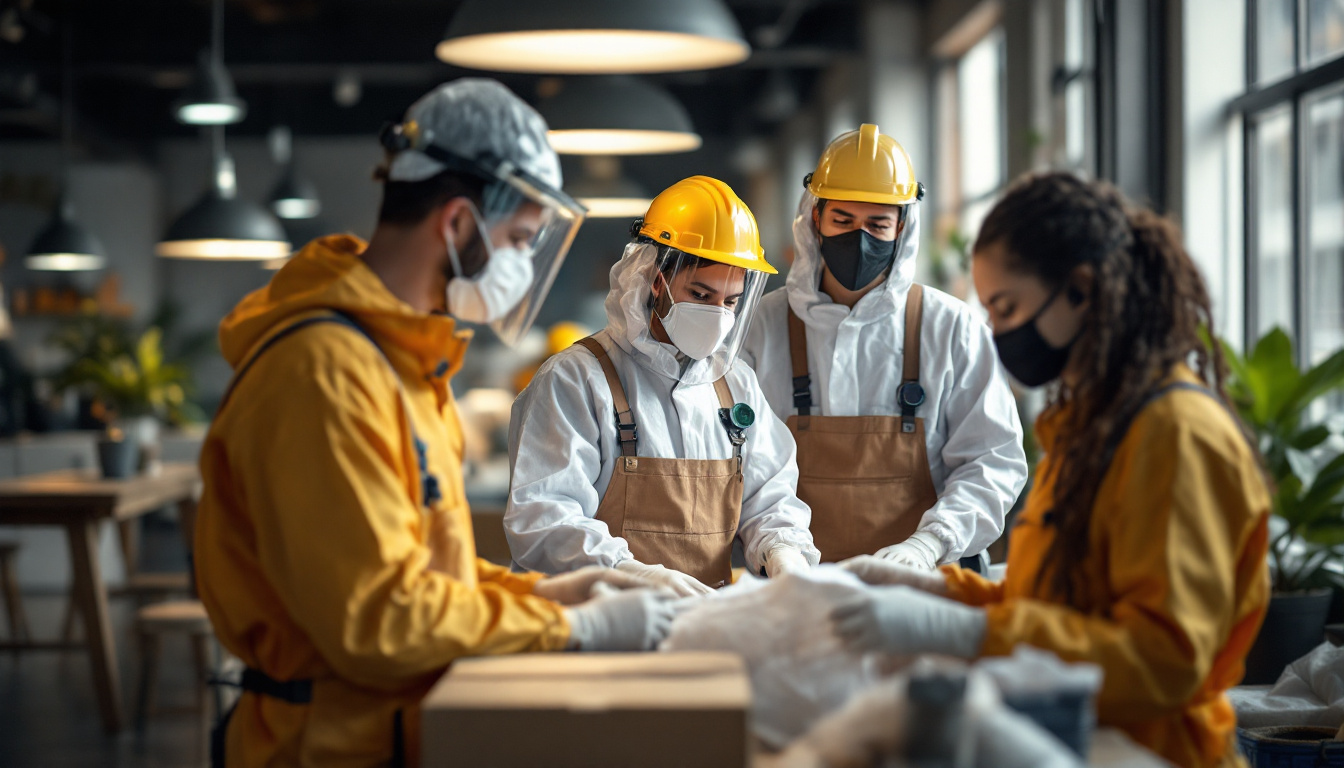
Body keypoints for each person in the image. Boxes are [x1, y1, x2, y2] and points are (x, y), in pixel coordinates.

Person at [195, 79, 677, 768]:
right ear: (455, 224)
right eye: (517, 238)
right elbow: (378, 620)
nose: (519, 263)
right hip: (325, 747)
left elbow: (419, 570)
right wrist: (571, 627)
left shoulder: (400, 360)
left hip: (390, 730)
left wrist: (540, 591)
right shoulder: (325, 375)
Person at [830, 172, 1271, 768]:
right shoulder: (1093, 425)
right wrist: (938, 590)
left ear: (1081, 290)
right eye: (989, 311)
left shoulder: (1175, 435)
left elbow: (1163, 661)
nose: (997, 333)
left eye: (1007, 308)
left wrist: (967, 633)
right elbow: (1061, 601)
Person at [504, 176, 820, 597]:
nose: (717, 316)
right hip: (601, 627)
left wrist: (783, 551)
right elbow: (544, 518)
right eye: (701, 294)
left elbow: (770, 497)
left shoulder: (734, 384)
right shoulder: (577, 379)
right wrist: (633, 574)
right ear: (656, 280)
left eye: (730, 302)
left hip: (707, 627)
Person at [740, 124, 1027, 568]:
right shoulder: (761, 326)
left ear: (902, 227)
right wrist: (778, 550)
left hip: (930, 583)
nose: (860, 238)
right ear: (815, 218)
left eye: (877, 224)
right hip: (795, 586)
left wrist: (930, 544)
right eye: (843, 220)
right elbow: (737, 462)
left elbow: (992, 460)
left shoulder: (951, 328)